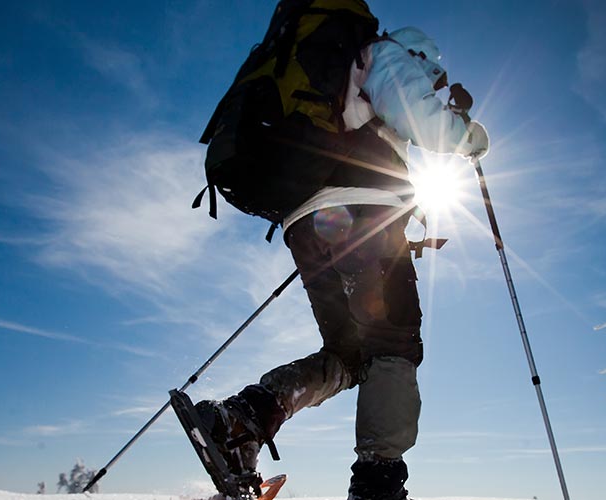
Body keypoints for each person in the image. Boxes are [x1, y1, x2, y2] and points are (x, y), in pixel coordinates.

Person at [194, 24, 489, 500]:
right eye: (432, 76)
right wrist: (468, 134)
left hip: (304, 223)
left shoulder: (331, 75)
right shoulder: (385, 54)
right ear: (425, 59)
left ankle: (244, 420)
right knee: (392, 343)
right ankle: (379, 482)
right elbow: (425, 121)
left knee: (350, 354)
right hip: (360, 213)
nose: (432, 83)